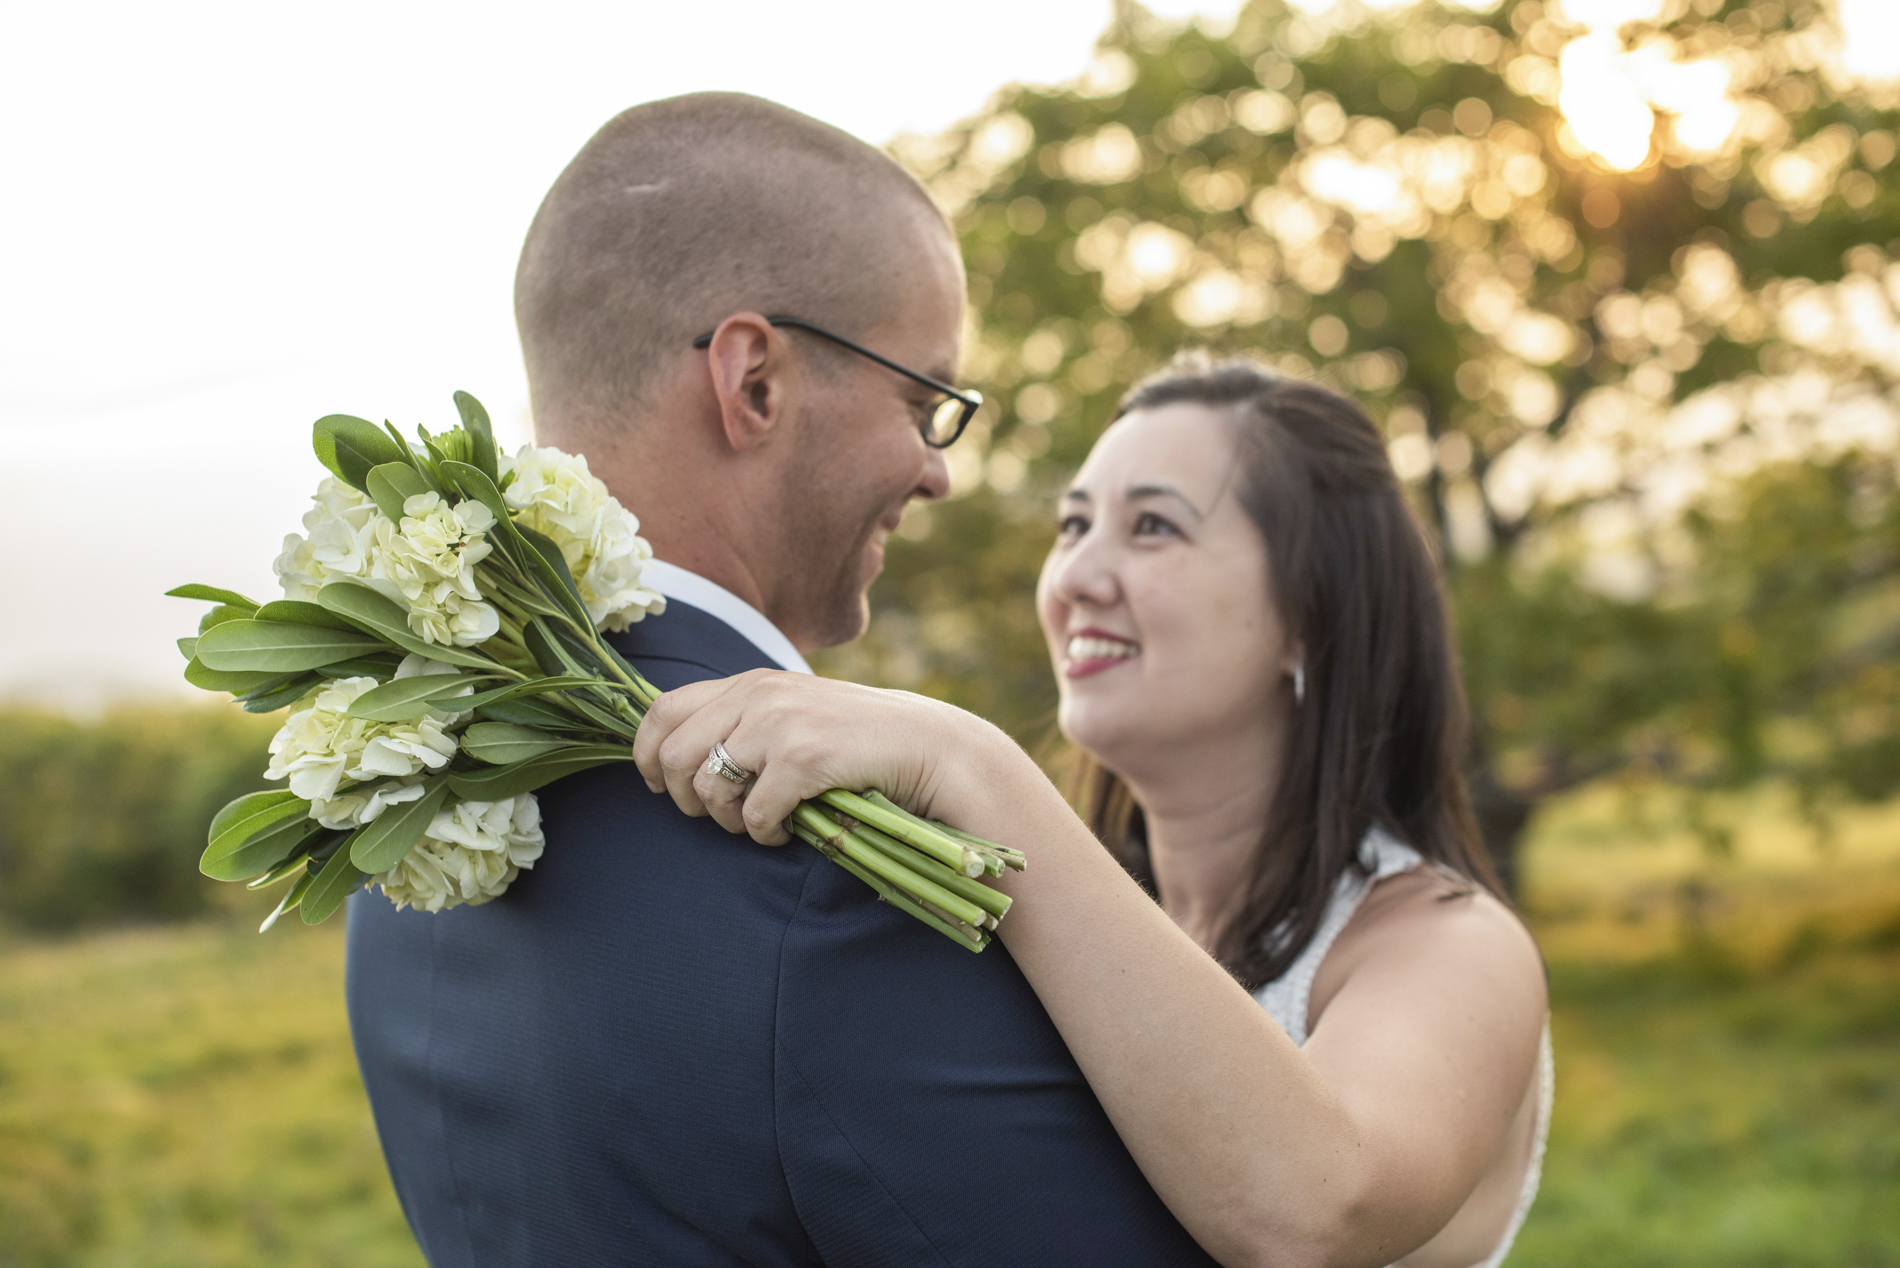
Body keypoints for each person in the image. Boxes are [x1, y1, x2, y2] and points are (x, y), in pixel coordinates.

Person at [345, 94, 1221, 1266]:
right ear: (753, 381)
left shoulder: (402, 788)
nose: (935, 472)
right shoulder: (841, 864)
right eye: (924, 402)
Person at [632, 356, 1553, 1268]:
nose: (1075, 577)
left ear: (1311, 612)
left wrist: (971, 761)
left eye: (1152, 527)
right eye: (1074, 526)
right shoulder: (1074, 911)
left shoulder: (1453, 944)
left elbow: (1317, 1213)